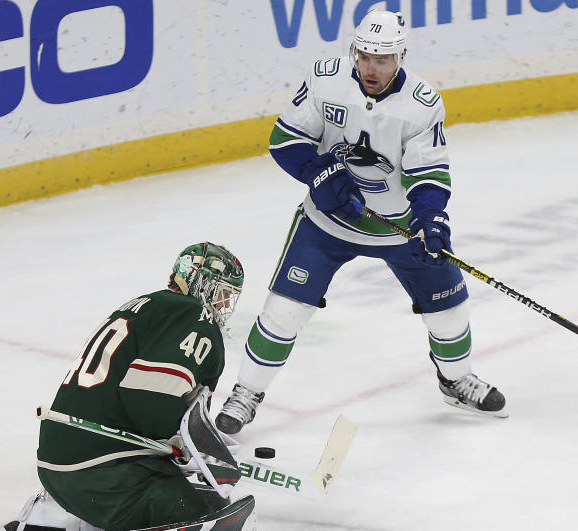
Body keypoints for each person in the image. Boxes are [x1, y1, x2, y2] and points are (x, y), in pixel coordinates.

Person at [216, 9, 506, 435]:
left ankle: (454, 379)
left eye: (383, 59)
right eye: (365, 56)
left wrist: (432, 220)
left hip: (399, 227)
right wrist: (318, 174)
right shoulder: (326, 78)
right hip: (327, 224)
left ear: (402, 56)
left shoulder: (422, 105)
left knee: (449, 312)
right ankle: (246, 393)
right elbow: (286, 140)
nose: (371, 68)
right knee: (283, 312)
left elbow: (429, 174)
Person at [0, 242, 259, 531]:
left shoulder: (143, 305)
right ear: (200, 282)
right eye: (222, 292)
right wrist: (179, 441)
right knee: (192, 508)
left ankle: (53, 524)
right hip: (105, 472)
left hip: (56, 467)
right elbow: (149, 403)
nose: (224, 305)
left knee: (163, 479)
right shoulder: (195, 318)